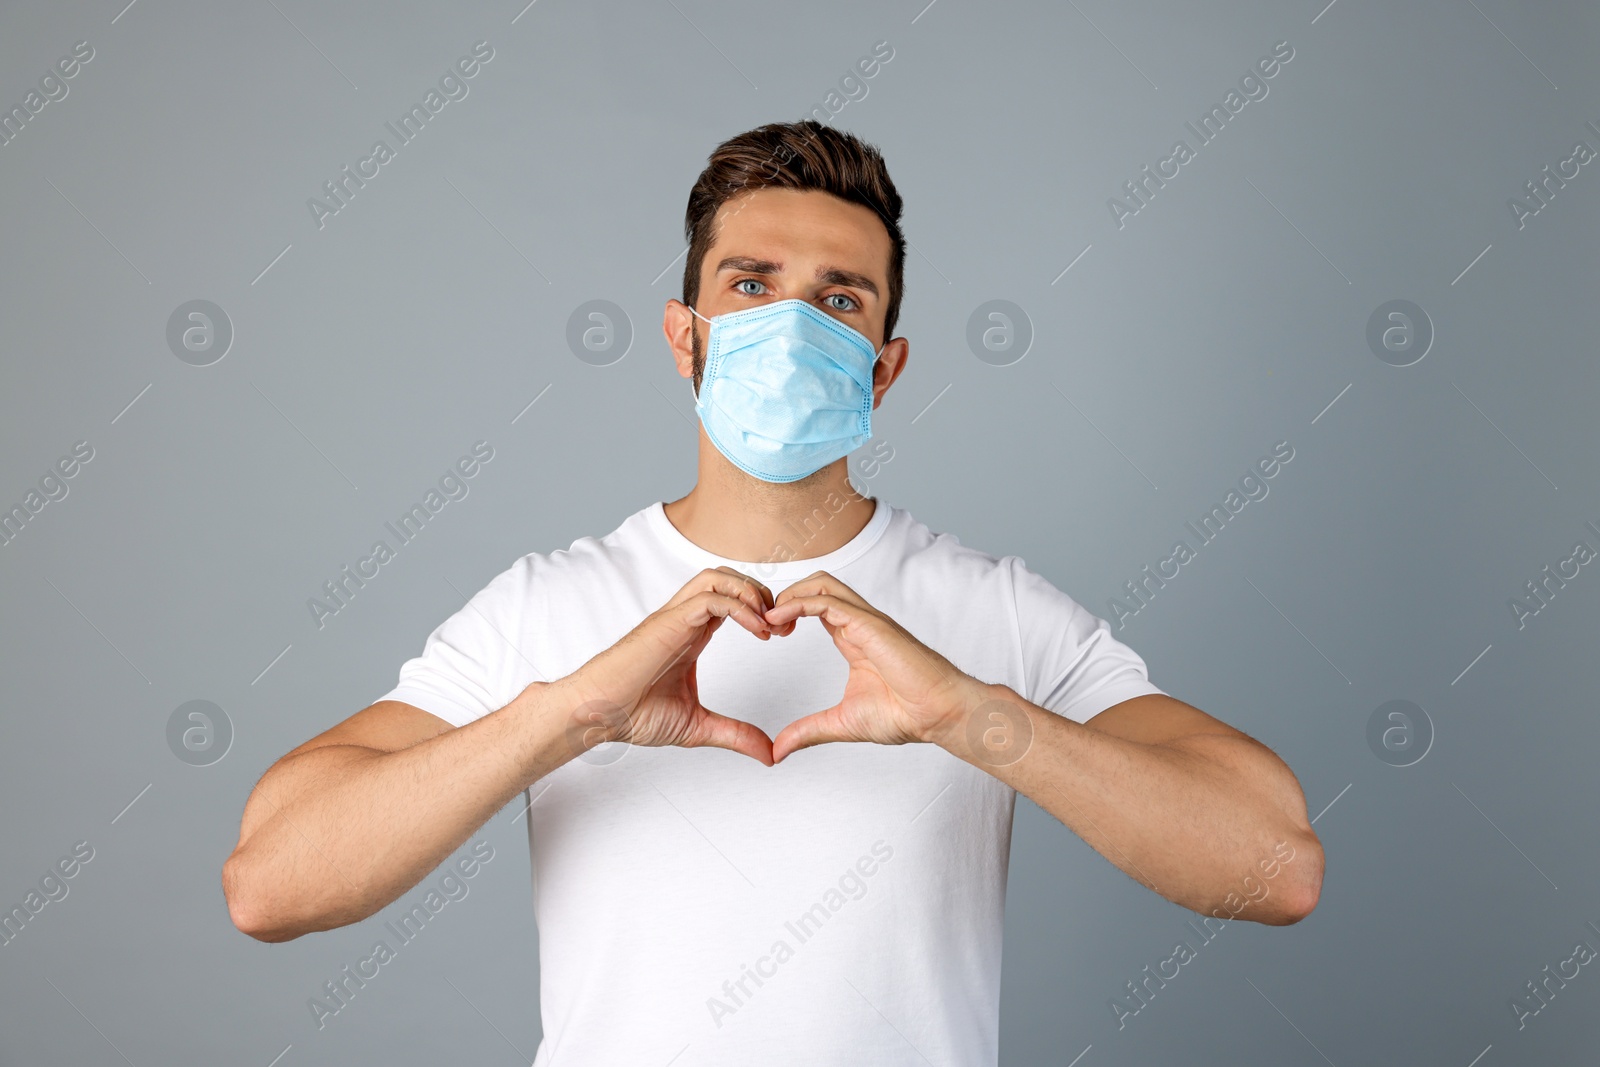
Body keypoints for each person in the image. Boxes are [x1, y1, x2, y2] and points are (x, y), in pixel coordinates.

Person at [222, 119, 1323, 1065]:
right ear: (683, 335)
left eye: (838, 298)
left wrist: (968, 714)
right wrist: (565, 715)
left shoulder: (995, 611)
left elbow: (1275, 867)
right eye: (750, 285)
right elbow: (270, 884)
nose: (791, 324)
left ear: (884, 366)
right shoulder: (545, 606)